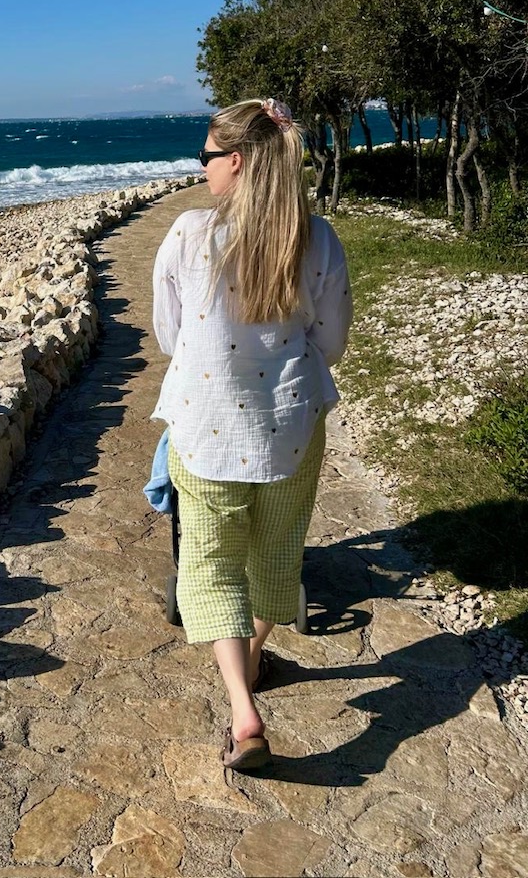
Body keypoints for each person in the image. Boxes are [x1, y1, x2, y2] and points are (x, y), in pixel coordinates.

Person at [151, 98, 351, 772]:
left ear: (235, 161)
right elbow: (331, 342)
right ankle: (257, 654)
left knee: (210, 567)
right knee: (275, 556)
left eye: (207, 156)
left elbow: (170, 336)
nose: (201, 167)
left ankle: (244, 712)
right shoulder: (317, 238)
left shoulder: (189, 233)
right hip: (290, 429)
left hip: (206, 429)